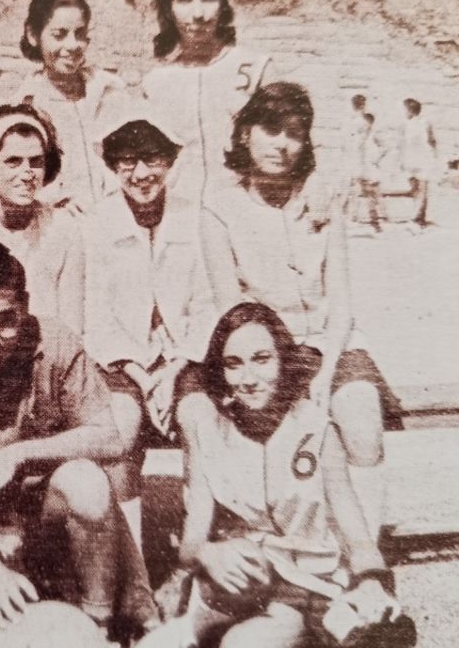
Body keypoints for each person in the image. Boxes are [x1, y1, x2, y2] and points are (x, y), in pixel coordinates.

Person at [0, 239, 157, 643]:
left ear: (25, 306)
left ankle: (99, 623)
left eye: (4, 319)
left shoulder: (53, 343)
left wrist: (18, 455)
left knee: (86, 482)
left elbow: (111, 437)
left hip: (44, 512)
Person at [198, 82, 403, 543]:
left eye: (295, 133)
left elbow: (343, 304)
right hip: (265, 351)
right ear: (246, 133)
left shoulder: (322, 199)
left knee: (361, 417)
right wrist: (283, 376)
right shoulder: (220, 206)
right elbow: (232, 310)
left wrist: (326, 376)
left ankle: (363, 558)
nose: (282, 144)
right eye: (271, 130)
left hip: (331, 344)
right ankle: (286, 548)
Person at [139, 303, 410, 648]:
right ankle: (192, 631)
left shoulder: (317, 430)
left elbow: (357, 537)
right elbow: (190, 546)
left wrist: (372, 581)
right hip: (237, 583)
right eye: (233, 365)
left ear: (283, 361)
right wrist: (209, 553)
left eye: (262, 359)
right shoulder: (208, 433)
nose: (249, 379)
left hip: (306, 587)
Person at [84, 116, 216, 464]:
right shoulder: (99, 223)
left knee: (199, 420)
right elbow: (97, 318)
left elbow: (207, 306)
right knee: (119, 427)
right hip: (123, 364)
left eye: (152, 159)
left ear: (169, 162)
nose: (141, 174)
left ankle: (197, 516)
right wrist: (145, 381)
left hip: (187, 357)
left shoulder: (195, 218)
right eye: (128, 161)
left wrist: (173, 371)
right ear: (113, 166)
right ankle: (126, 518)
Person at [142, 0, 273, 207]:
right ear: (168, 9)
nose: (198, 13)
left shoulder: (256, 69)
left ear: (223, 3)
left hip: (246, 210)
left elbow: (296, 138)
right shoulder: (155, 83)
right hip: (179, 214)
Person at [0, 103, 85, 334]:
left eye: (36, 162)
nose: (27, 174)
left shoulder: (64, 229)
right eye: (12, 161)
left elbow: (72, 324)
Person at [14, 0, 131, 212]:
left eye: (79, 34)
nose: (71, 45)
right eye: (59, 35)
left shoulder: (111, 93)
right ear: (33, 35)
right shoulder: (25, 107)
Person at [399, 97, 437, 230]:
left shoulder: (426, 122)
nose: (404, 112)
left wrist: (433, 156)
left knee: (422, 189)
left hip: (423, 159)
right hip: (411, 160)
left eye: (405, 109)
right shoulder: (405, 124)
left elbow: (432, 140)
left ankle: (416, 218)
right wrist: (402, 160)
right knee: (416, 190)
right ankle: (420, 217)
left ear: (410, 110)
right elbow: (402, 143)